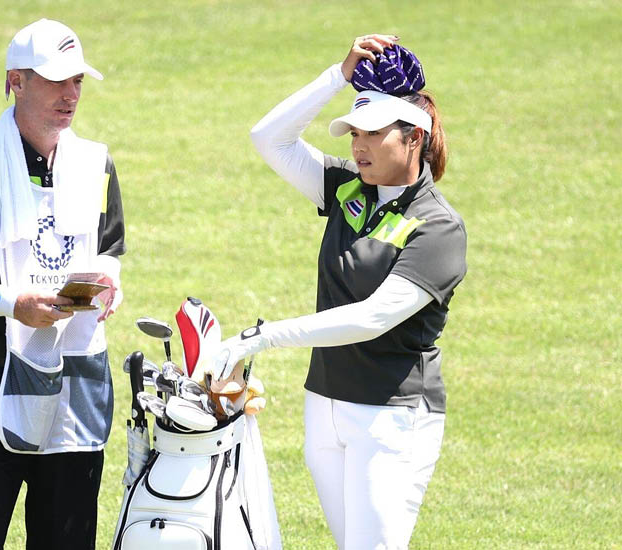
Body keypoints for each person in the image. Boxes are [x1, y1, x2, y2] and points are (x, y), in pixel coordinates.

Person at [211, 35, 467, 549]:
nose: (358, 146)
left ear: (413, 138)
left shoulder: (439, 227)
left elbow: (372, 317)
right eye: (354, 133)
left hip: (391, 417)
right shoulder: (347, 186)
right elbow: (268, 138)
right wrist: (338, 76)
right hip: (325, 405)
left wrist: (263, 337)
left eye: (373, 133)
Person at [0, 19, 125, 550]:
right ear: (16, 81)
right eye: (57, 80)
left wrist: (110, 282)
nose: (71, 94)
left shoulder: (97, 164)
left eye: (77, 80)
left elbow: (108, 250)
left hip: (76, 373)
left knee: (68, 537)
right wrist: (12, 303)